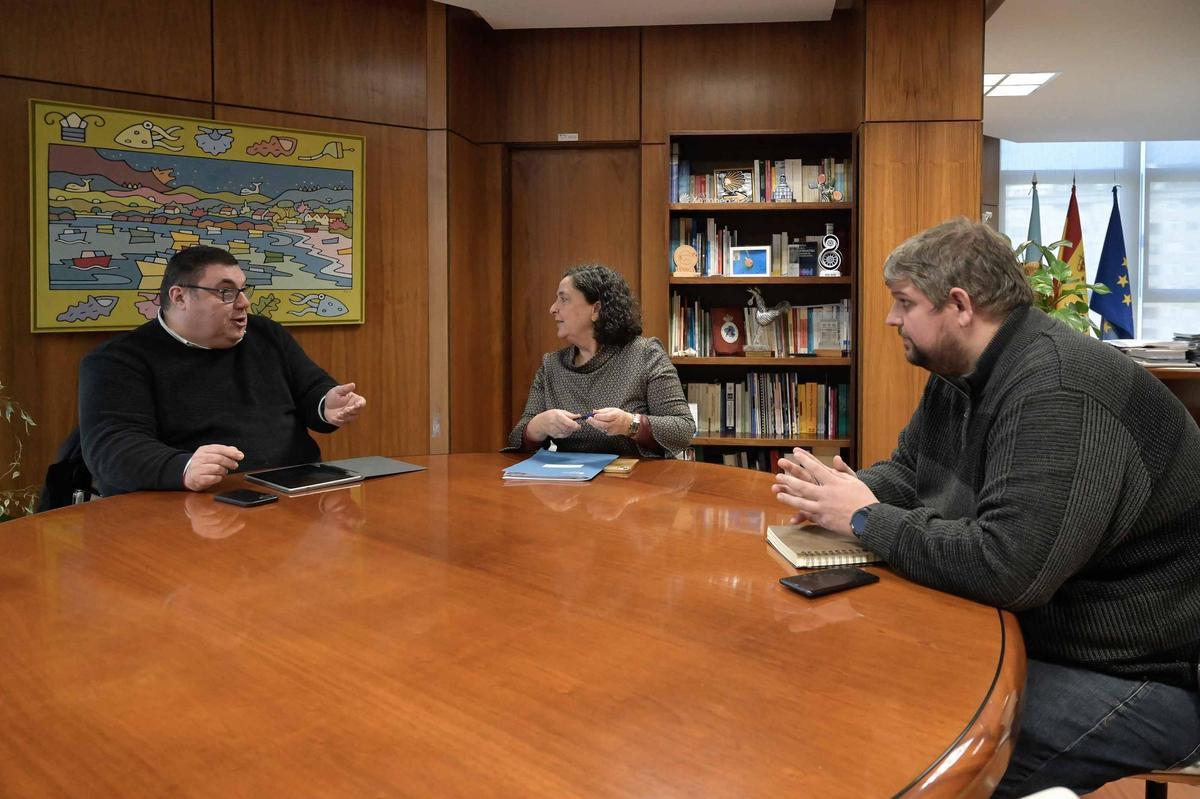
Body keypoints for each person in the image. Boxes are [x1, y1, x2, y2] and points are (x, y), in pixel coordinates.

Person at [771, 218, 1200, 797]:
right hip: (1044, 633)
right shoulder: (961, 371)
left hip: (1143, 670)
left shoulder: (1056, 389)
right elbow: (911, 474)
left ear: (960, 306)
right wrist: (836, 495)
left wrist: (865, 517)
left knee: (920, 752)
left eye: (904, 303)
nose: (892, 319)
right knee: (861, 689)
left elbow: (1008, 570)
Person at [79, 245, 366, 496]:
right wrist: (182, 467)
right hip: (189, 503)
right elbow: (111, 447)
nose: (244, 303)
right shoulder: (118, 360)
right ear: (179, 297)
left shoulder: (266, 334)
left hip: (292, 490)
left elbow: (311, 388)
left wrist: (325, 404)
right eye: (226, 292)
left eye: (243, 290)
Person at [506, 264, 694, 457]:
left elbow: (683, 429)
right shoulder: (551, 366)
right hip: (569, 476)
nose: (552, 309)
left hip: (636, 475)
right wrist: (538, 426)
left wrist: (630, 424)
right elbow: (515, 440)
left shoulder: (645, 354)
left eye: (564, 299)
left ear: (595, 309)